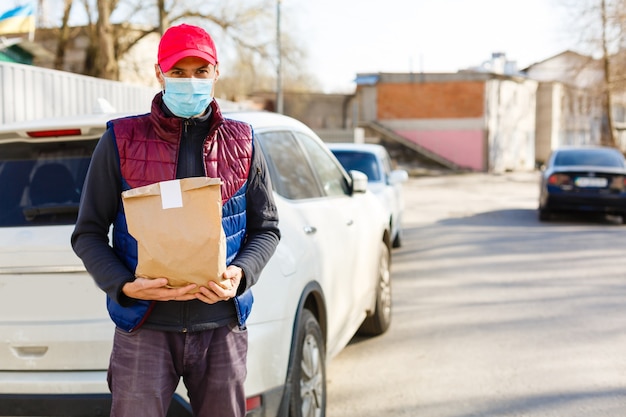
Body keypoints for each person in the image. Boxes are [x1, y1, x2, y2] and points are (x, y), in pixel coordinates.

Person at [71, 23, 280, 417]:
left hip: (221, 325)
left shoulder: (244, 141)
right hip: (145, 327)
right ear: (159, 73)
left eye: (200, 72)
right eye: (178, 72)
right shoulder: (121, 140)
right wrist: (126, 286)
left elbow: (266, 228)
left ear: (216, 73)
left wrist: (241, 274)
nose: (190, 82)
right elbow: (88, 234)